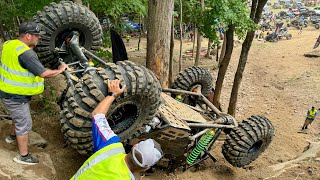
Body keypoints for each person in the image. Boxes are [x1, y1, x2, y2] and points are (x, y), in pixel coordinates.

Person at [0, 21, 69, 165]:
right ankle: (23, 156)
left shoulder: (9, 45)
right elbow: (43, 73)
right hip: (16, 95)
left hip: (8, 91)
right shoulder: (26, 54)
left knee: (17, 117)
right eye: (37, 35)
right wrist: (61, 70)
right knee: (24, 123)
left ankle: (12, 137)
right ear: (28, 36)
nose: (39, 38)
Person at [71, 79, 163, 179]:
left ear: (134, 146)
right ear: (146, 168)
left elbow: (97, 115)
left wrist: (113, 94)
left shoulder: (111, 146)